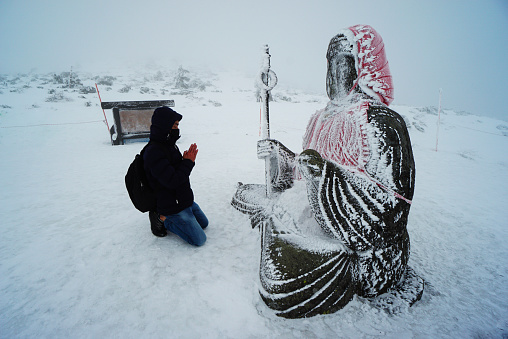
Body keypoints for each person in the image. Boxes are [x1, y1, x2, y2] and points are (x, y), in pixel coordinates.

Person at [232, 25, 422, 318]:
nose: (333, 73)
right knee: (247, 194)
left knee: (282, 282)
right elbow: (297, 175)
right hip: (308, 215)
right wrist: (278, 157)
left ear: (364, 65)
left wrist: (326, 179)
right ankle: (283, 228)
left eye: (342, 62)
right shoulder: (318, 118)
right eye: (329, 63)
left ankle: (288, 236)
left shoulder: (383, 122)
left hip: (360, 247)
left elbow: (389, 209)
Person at [143, 106, 208, 246]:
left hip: (183, 199)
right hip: (171, 206)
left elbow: (176, 173)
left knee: (204, 224)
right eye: (174, 125)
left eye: (177, 125)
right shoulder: (153, 152)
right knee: (199, 240)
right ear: (163, 126)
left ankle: (183, 213)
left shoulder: (170, 145)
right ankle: (163, 219)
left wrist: (184, 161)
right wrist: (188, 163)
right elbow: (172, 181)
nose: (177, 129)